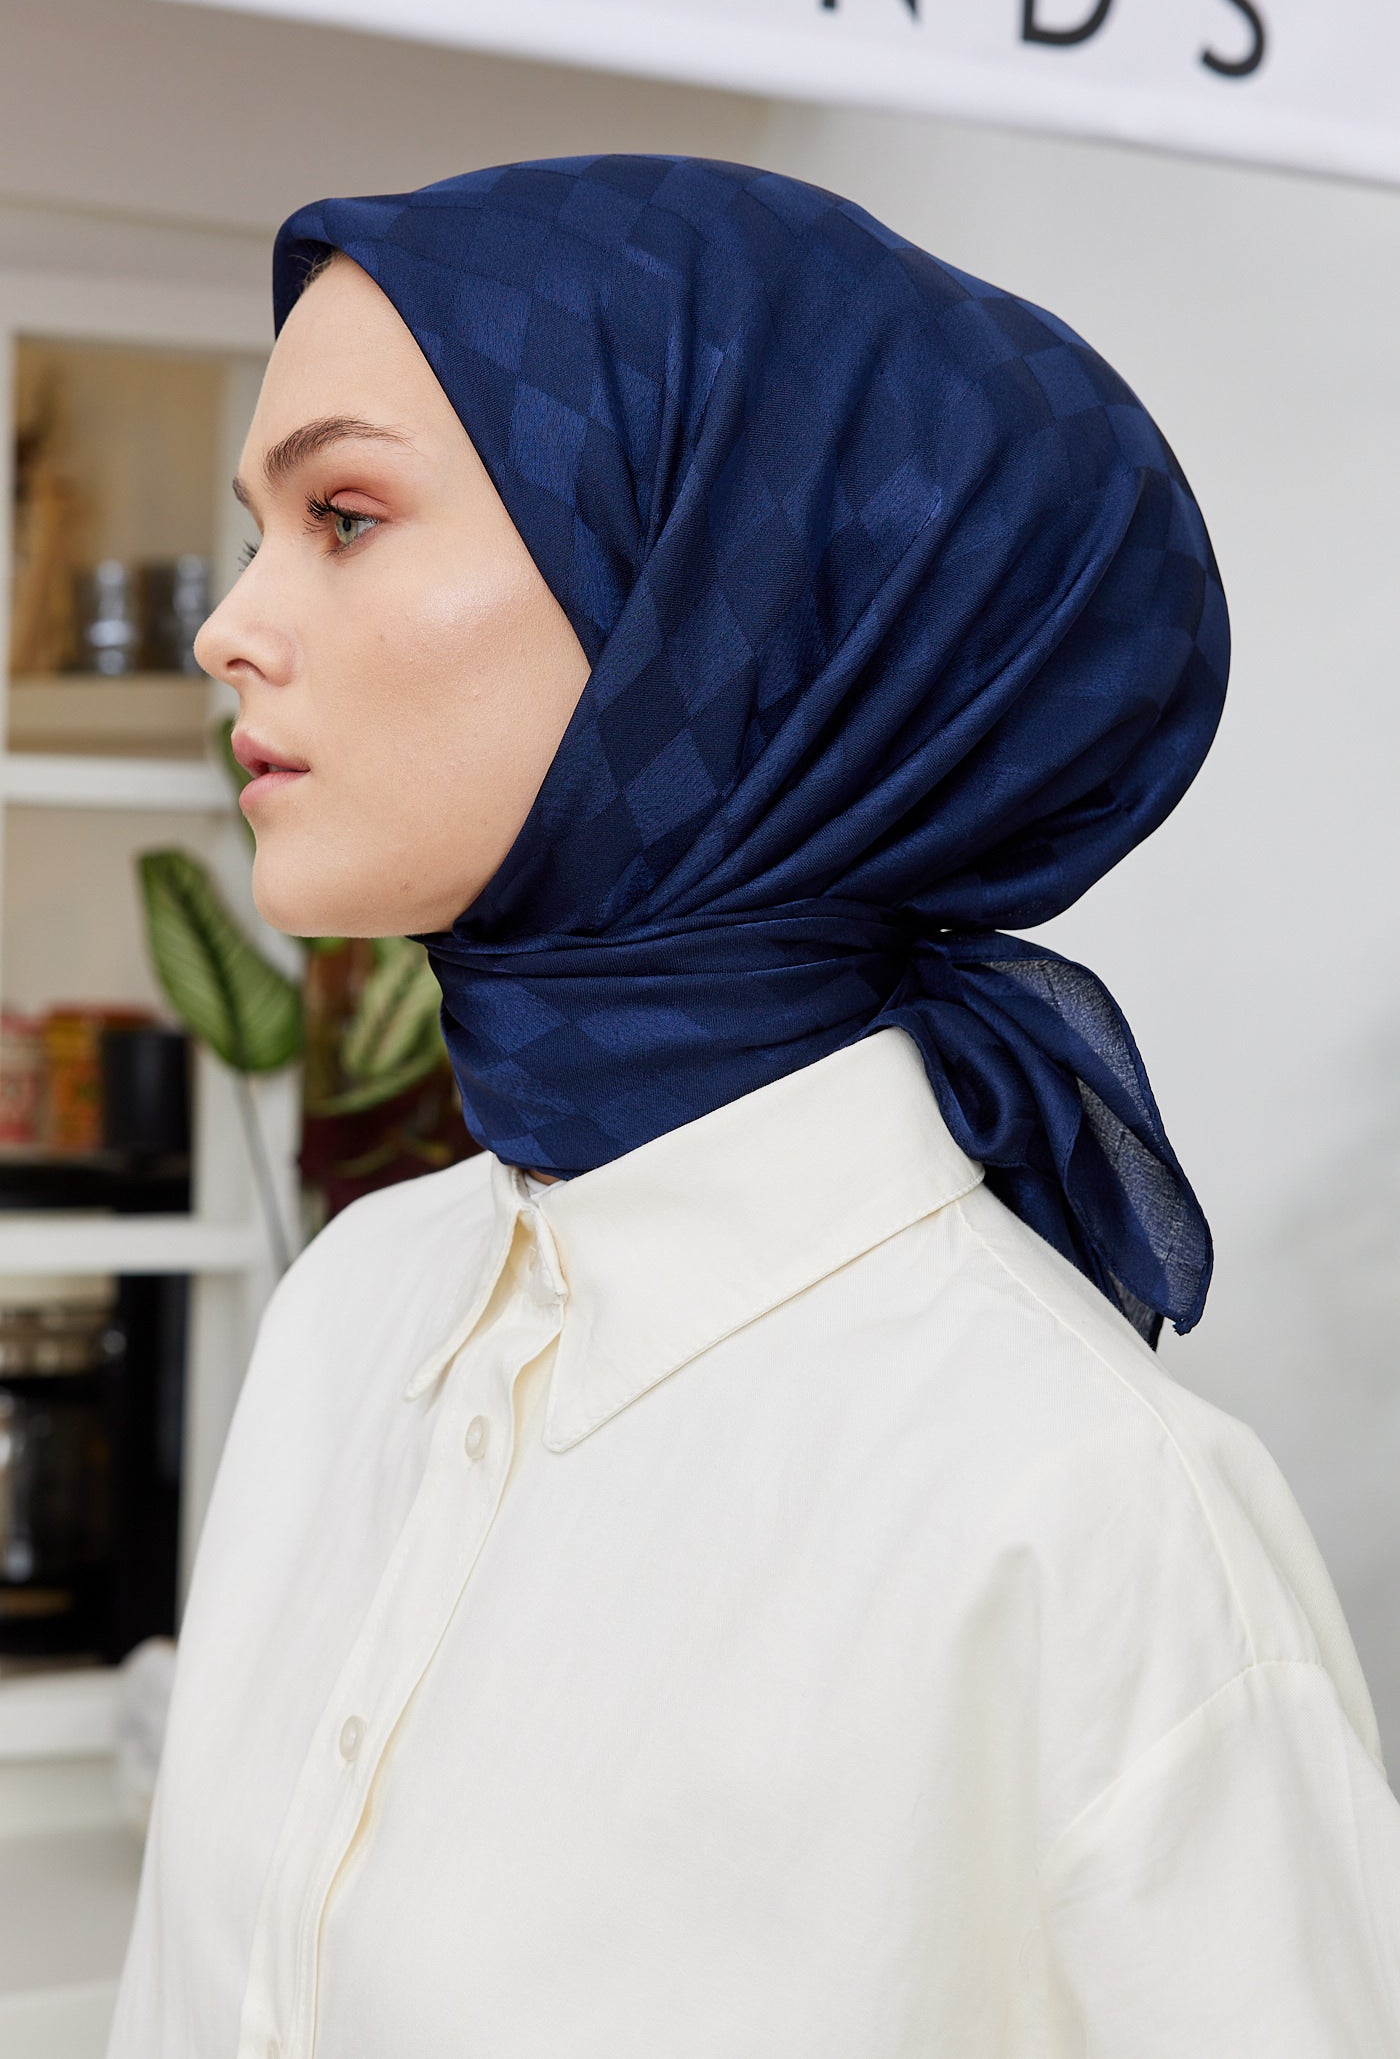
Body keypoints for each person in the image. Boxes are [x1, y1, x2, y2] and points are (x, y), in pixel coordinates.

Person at [107, 156, 1400, 2058]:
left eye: (347, 516)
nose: (232, 624)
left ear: (713, 596)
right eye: (262, 531)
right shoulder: (352, 1314)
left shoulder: (1081, 1519)